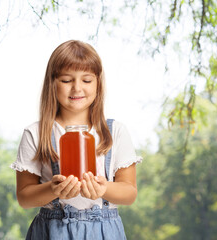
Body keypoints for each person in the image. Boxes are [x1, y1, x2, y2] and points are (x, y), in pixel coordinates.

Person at [10, 40, 142, 240]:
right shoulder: (36, 133)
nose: (77, 88)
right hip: (52, 231)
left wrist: (103, 188)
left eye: (87, 80)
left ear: (98, 83)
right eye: (66, 80)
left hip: (104, 232)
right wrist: (53, 189)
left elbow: (130, 192)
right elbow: (25, 197)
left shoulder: (115, 132)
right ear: (52, 83)